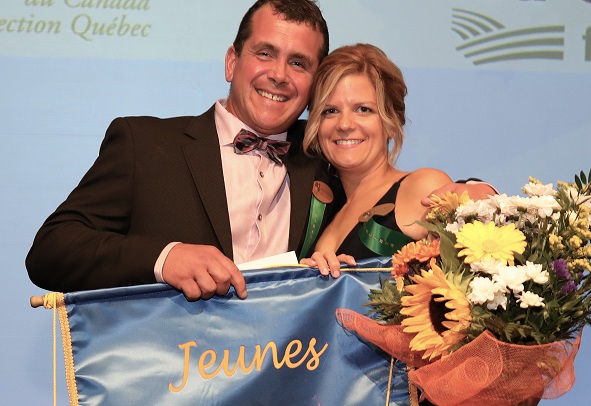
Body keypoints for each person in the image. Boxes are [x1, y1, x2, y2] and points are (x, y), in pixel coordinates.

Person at [26, 0, 493, 301]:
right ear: (233, 60)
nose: (278, 75)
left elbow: (392, 184)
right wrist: (165, 258)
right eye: (264, 53)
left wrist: (475, 191)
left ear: (312, 84)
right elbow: (51, 251)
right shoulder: (145, 145)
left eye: (299, 63)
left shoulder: (324, 157)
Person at [300, 44, 459, 278]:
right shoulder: (323, 219)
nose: (344, 124)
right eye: (330, 111)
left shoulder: (422, 187)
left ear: (391, 124)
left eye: (363, 109)